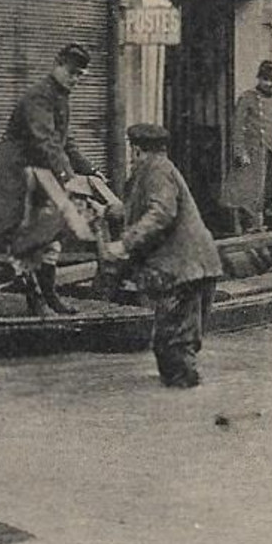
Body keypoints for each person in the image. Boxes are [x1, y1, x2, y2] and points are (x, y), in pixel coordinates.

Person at [0, 43, 99, 316]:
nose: (75, 79)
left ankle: (49, 295)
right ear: (57, 64)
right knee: (23, 237)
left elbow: (65, 141)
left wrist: (90, 170)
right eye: (72, 72)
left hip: (42, 177)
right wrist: (68, 177)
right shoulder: (38, 97)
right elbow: (46, 140)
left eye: (80, 75)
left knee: (49, 235)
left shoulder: (60, 97)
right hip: (18, 177)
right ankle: (36, 298)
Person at [102, 124, 224, 388]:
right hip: (186, 268)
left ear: (136, 149)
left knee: (176, 347)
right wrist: (113, 211)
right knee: (169, 346)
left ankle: (186, 414)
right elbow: (148, 208)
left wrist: (125, 243)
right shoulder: (157, 169)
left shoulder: (156, 170)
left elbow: (161, 212)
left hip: (184, 270)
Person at [220, 59, 272, 234]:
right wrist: (240, 151)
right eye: (265, 79)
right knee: (246, 192)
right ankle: (246, 228)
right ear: (259, 78)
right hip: (251, 154)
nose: (268, 83)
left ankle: (268, 228)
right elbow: (237, 127)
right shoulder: (247, 98)